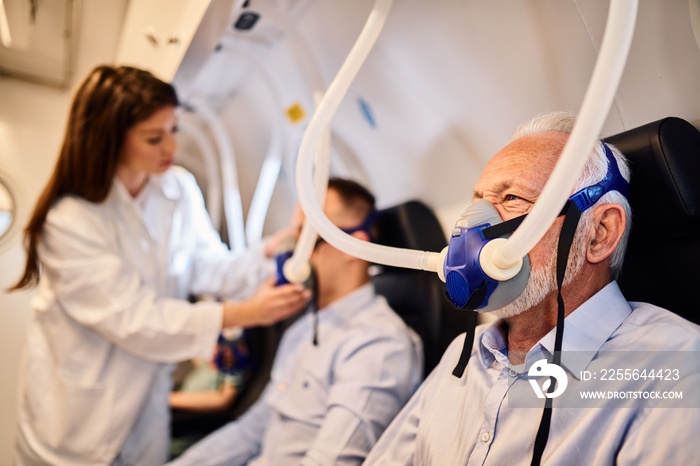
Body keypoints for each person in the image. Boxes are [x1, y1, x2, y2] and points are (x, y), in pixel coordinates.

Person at [8, 65, 311, 466]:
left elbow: (209, 267)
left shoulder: (178, 189)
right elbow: (137, 319)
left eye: (174, 130)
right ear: (110, 141)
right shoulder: (70, 222)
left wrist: (272, 250)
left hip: (144, 407)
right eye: (155, 138)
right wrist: (243, 314)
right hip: (74, 418)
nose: (171, 148)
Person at [363, 111, 700, 465]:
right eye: (476, 203)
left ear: (599, 234)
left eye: (511, 199)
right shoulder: (465, 354)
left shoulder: (673, 373)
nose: (473, 229)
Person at [169, 177, 424, 466]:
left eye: (305, 235)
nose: (292, 252)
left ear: (352, 245)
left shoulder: (379, 345)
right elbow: (253, 429)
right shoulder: (302, 330)